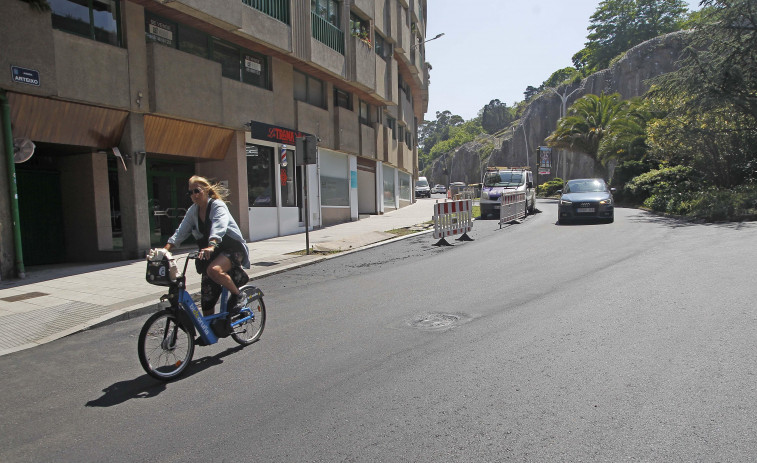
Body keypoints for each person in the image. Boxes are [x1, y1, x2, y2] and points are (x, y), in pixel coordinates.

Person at [163, 175, 250, 316]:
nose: (194, 195)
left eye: (196, 191)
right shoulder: (193, 210)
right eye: (190, 192)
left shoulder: (217, 205)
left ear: (206, 189)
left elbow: (219, 225)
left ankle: (239, 295)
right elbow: (181, 231)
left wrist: (212, 243)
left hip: (232, 249)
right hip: (212, 253)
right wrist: (165, 249)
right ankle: (208, 335)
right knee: (207, 302)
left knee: (214, 270)